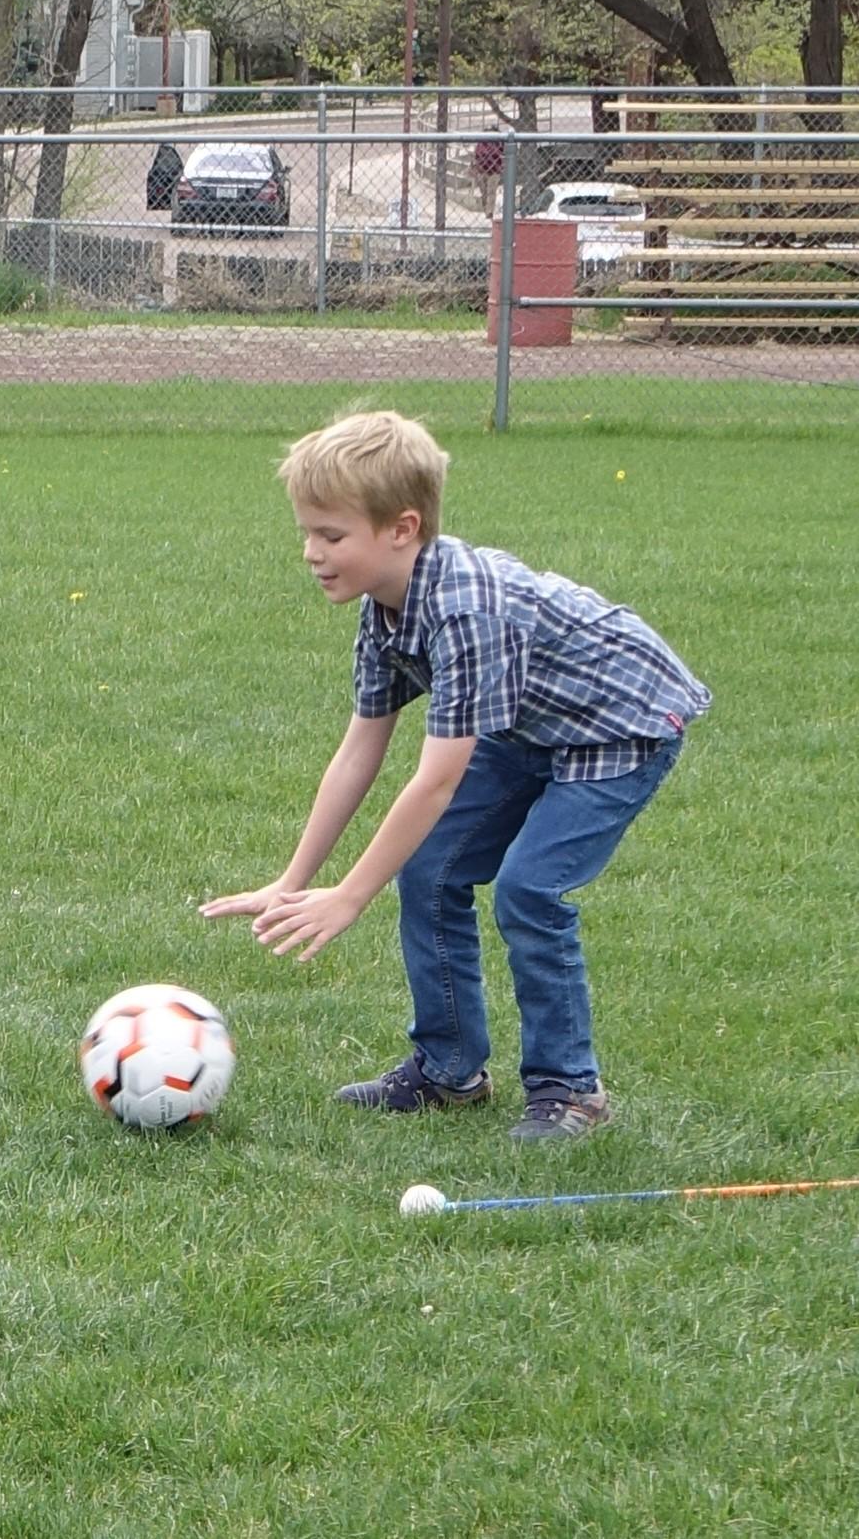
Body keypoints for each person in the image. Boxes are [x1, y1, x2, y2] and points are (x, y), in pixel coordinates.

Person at [201, 409, 710, 1140]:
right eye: (305, 533)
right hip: (527, 723)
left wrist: (349, 895)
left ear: (401, 528)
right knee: (431, 867)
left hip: (618, 721)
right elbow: (358, 751)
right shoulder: (382, 610)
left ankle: (571, 1091)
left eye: (331, 535)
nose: (311, 552)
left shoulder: (462, 608)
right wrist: (291, 878)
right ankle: (449, 1071)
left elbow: (434, 780)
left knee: (530, 888)